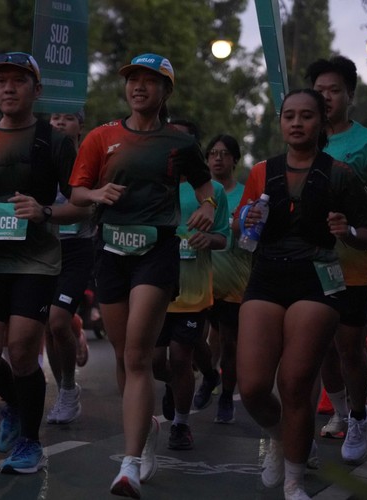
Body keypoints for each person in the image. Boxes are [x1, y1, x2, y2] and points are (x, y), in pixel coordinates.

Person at [68, 53, 216, 498]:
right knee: (123, 356)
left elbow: (204, 187)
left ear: (166, 91)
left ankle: (129, 465)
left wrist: (208, 207)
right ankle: (146, 428)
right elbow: (77, 193)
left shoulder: (179, 143)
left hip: (156, 251)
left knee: (137, 355)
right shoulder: (101, 137)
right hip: (111, 251)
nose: (139, 87)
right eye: (133, 79)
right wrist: (97, 194)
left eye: (150, 81)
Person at [233, 89, 367, 500]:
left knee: (295, 383)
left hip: (317, 277)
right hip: (267, 275)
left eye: (307, 116)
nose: (297, 123)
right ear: (280, 122)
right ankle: (283, 437)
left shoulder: (340, 174)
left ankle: (294, 481)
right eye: (289, 116)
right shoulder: (262, 171)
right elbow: (239, 225)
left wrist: (347, 231)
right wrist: (246, 216)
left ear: (321, 123)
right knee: (253, 387)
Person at [0, 51, 78, 474]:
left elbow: (81, 205)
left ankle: (30, 443)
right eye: (1, 80)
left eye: (18, 80)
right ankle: (17, 403)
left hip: (37, 260)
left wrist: (44, 211)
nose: (8, 87)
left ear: (36, 90)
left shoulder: (55, 141)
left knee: (21, 350)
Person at [306, 56, 367, 462]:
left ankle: (360, 415)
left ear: (350, 96)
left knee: (348, 346)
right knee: (320, 347)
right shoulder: (305, 138)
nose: (327, 97)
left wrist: (359, 189)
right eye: (320, 90)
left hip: (355, 259)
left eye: (334, 90)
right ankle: (342, 412)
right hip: (311, 259)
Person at [152, 118, 229, 450]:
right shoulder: (153, 183)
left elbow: (222, 239)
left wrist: (207, 239)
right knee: (157, 362)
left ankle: (181, 424)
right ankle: (179, 384)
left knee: (182, 356)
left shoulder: (213, 192)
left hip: (194, 291)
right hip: (155, 286)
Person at [45, 108, 96, 425]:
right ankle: (65, 388)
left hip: (77, 250)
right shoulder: (41, 159)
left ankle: (66, 389)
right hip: (44, 248)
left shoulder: (90, 161)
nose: (60, 122)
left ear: (80, 125)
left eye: (68, 117)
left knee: (57, 320)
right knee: (49, 327)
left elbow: (92, 206)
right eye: (54, 117)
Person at [201, 134, 251, 424]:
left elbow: (255, 237)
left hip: (234, 281)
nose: (217, 158)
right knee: (196, 340)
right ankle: (209, 376)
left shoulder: (246, 195)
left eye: (224, 153)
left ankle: (226, 396)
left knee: (229, 342)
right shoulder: (198, 193)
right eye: (212, 153)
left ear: (235, 160)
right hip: (199, 280)